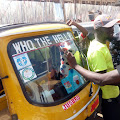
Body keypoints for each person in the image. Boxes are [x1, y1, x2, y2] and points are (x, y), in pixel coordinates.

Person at [66, 14, 120, 120]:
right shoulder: (96, 50)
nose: (112, 30)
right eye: (109, 28)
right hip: (109, 98)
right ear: (99, 30)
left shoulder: (102, 45)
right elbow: (101, 79)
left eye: (112, 27)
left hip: (114, 95)